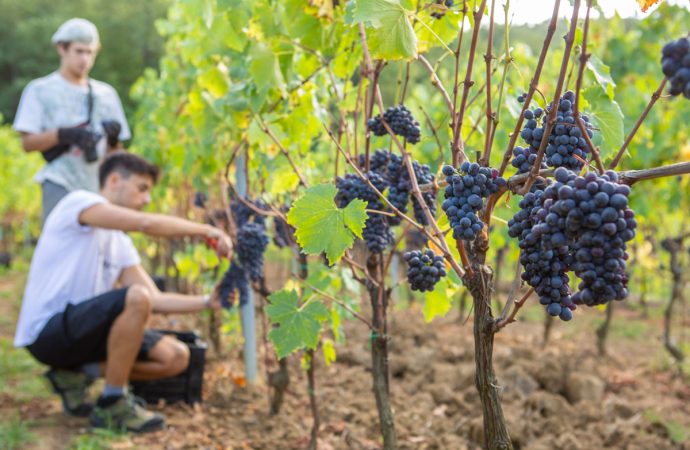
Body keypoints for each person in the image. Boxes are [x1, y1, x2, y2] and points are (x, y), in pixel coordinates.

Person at [13, 152, 233, 433]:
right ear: (115, 180)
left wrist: (207, 301)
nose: (147, 200)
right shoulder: (78, 203)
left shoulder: (119, 244)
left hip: (86, 335)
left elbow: (156, 299)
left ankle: (78, 373)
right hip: (48, 333)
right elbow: (146, 224)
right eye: (142, 189)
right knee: (135, 296)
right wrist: (206, 230)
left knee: (176, 357)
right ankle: (113, 403)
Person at [12, 18, 131, 222]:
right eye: (79, 51)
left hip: (98, 184)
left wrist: (112, 141)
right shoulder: (40, 90)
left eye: (90, 52)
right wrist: (62, 135)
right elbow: (27, 143)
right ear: (62, 48)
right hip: (61, 181)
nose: (85, 59)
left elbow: (116, 154)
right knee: (60, 245)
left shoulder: (106, 94)